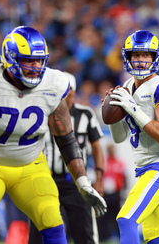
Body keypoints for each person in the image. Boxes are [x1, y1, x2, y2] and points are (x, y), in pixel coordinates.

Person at [0, 26, 106, 244]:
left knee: (52, 220)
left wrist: (82, 181)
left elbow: (66, 138)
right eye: (29, 60)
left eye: (40, 60)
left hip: (30, 166)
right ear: (11, 58)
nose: (36, 66)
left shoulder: (54, 84)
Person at [103, 30, 159, 244]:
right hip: (146, 169)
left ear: (155, 57)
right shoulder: (126, 87)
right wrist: (111, 114)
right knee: (158, 240)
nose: (139, 60)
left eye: (145, 55)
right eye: (135, 55)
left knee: (126, 219)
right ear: (127, 58)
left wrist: (133, 108)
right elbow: (119, 138)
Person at [28, 72, 105, 244]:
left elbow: (97, 148)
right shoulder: (42, 111)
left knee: (84, 233)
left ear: (73, 92)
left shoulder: (85, 114)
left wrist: (99, 177)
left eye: (67, 89)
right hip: (46, 179)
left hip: (75, 182)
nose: (64, 93)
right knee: (38, 232)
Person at [97, 143, 126, 242]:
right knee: (103, 216)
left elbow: (124, 178)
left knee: (117, 216)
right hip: (105, 194)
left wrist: (124, 192)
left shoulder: (120, 163)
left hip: (115, 194)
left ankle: (119, 236)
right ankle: (103, 237)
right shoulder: (103, 163)